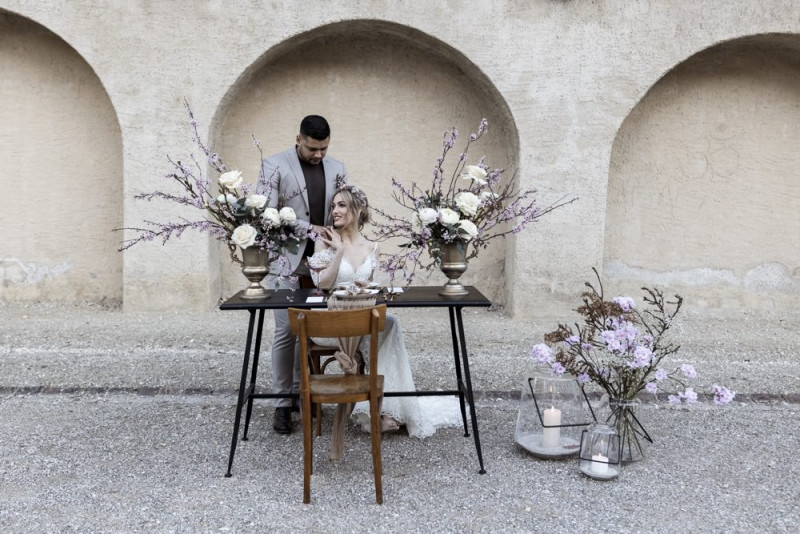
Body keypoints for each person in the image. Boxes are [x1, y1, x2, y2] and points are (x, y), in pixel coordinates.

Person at [310, 182, 463, 438]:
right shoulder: (325, 241)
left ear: (358, 210)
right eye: (333, 205)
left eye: (342, 205)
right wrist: (338, 252)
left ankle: (383, 408)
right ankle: (376, 409)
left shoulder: (372, 247)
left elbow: (372, 287)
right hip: (330, 324)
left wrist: (366, 288)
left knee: (390, 324)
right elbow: (322, 283)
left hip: (360, 320)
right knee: (387, 326)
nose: (334, 210)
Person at [258, 115, 346, 435]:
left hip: (323, 265)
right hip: (286, 261)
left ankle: (303, 392)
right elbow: (266, 215)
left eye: (323, 148)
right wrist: (307, 227)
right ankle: (283, 402)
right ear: (298, 138)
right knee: (286, 330)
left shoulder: (338, 168)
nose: (318, 155)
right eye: (312, 148)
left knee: (308, 331)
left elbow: (343, 209)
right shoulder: (273, 165)